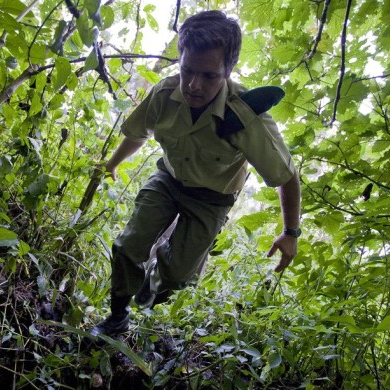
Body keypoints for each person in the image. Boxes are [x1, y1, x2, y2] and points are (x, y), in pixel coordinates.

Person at [89, 10, 301, 339]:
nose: (194, 85)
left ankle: (155, 282)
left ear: (228, 71)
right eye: (187, 70)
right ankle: (116, 318)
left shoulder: (245, 116)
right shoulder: (165, 94)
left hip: (211, 199)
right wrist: (112, 163)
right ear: (181, 58)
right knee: (128, 246)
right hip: (169, 180)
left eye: (208, 75)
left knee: (177, 277)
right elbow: (138, 131)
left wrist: (290, 232)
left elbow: (286, 176)